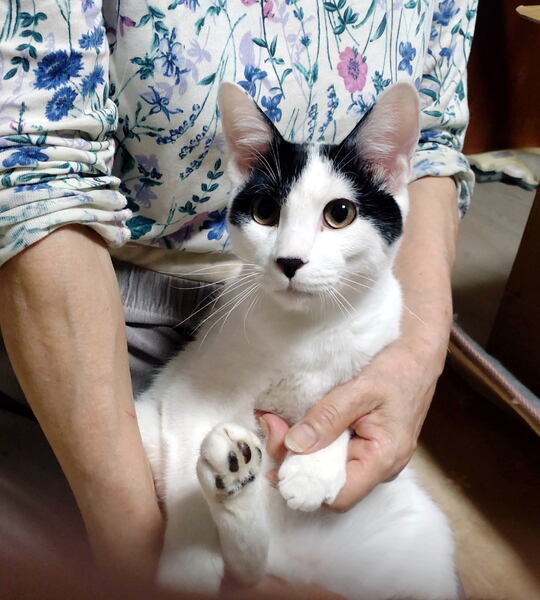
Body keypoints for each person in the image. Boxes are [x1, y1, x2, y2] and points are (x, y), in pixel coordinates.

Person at [0, 0, 477, 587]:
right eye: (269, 213)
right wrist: (142, 558)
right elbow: (32, 175)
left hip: (307, 372)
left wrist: (418, 356)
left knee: (425, 555)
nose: (293, 253)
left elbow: (436, 144)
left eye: (338, 214)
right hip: (104, 330)